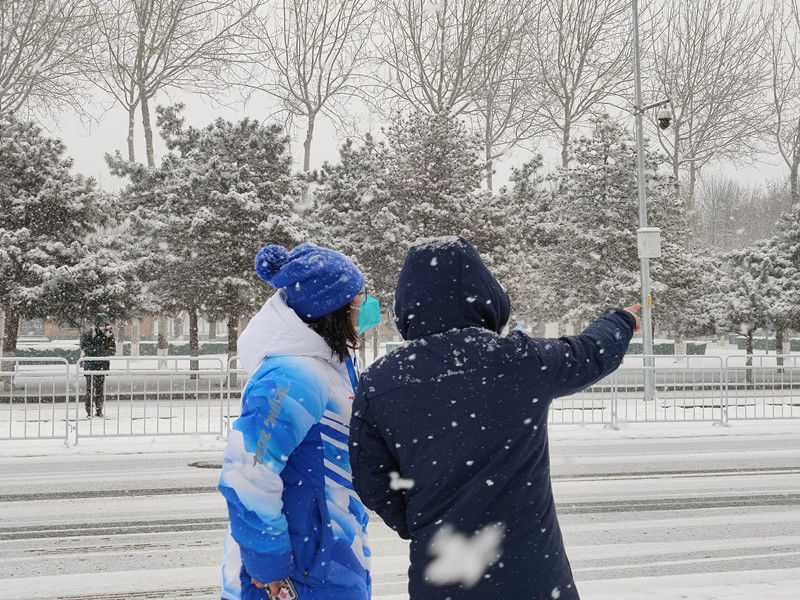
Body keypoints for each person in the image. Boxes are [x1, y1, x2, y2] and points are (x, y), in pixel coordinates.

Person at [349, 236, 640, 600]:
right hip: (533, 574)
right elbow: (591, 352)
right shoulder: (521, 360)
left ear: (407, 303)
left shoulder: (381, 382)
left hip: (443, 577)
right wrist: (621, 320)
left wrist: (421, 521)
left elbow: (371, 480)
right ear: (486, 293)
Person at [219, 243, 381, 600]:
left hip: (327, 555)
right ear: (332, 310)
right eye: (357, 298)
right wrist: (269, 566)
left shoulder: (329, 366)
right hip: (298, 571)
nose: (364, 305)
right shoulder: (292, 377)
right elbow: (248, 474)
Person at [79, 314, 116, 418]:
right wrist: (101, 351)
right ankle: (89, 411)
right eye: (102, 324)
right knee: (90, 390)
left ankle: (99, 410)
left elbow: (112, 350)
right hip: (90, 366)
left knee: (100, 390)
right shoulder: (89, 333)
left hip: (102, 366)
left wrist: (102, 351)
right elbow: (85, 347)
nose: (103, 326)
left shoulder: (108, 334)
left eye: (105, 324)